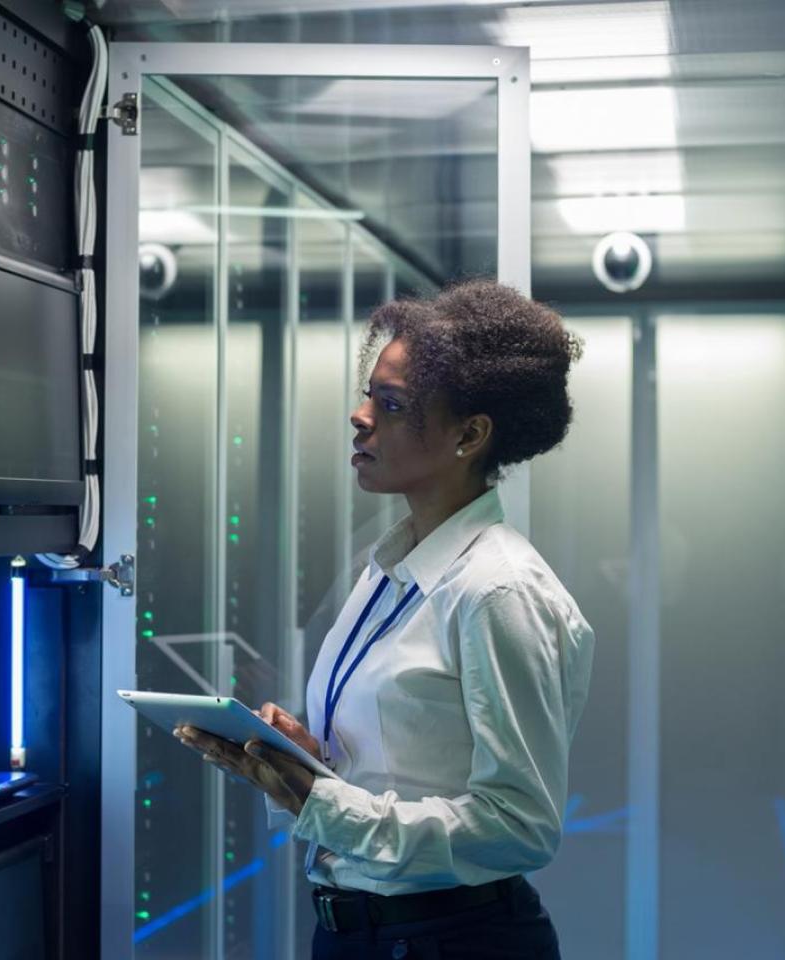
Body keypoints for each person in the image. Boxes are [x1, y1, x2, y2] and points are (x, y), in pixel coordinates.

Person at [176, 279, 595, 959]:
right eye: (370, 393)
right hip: (360, 933)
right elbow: (408, 766)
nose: (360, 415)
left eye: (392, 404)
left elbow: (520, 826)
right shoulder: (392, 567)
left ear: (470, 435)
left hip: (454, 941)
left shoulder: (499, 592)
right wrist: (307, 764)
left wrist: (325, 804)